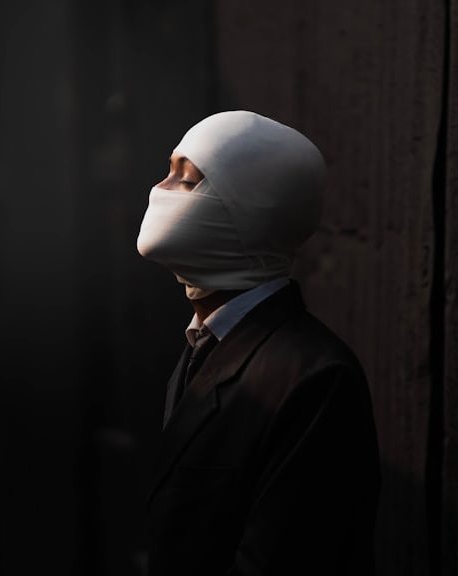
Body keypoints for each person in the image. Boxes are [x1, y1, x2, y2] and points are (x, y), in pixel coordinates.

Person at [137, 111, 381, 575]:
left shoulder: (316, 378)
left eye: (187, 180)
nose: (159, 189)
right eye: (167, 171)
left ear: (250, 208)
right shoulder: (203, 343)